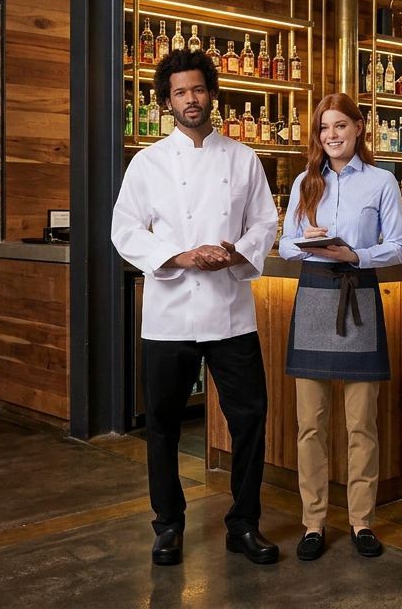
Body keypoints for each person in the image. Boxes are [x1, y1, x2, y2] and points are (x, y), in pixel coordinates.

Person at [111, 48, 281, 567]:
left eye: (199, 89)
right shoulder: (148, 162)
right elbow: (124, 231)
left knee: (250, 419)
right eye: (181, 92)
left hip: (230, 311)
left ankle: (244, 524)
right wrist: (180, 255)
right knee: (162, 424)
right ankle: (168, 526)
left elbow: (265, 222)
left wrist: (234, 254)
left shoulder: (242, 157)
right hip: (168, 316)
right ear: (167, 101)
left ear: (211, 94)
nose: (192, 99)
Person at [278, 93, 402, 562]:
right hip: (313, 296)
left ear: (359, 127)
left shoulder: (381, 182)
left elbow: (397, 247)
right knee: (309, 425)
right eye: (324, 128)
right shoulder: (304, 182)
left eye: (340, 126)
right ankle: (313, 523)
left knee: (361, 424)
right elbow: (286, 245)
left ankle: (361, 522)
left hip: (359, 296)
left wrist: (355, 254)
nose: (332, 135)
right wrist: (308, 242)